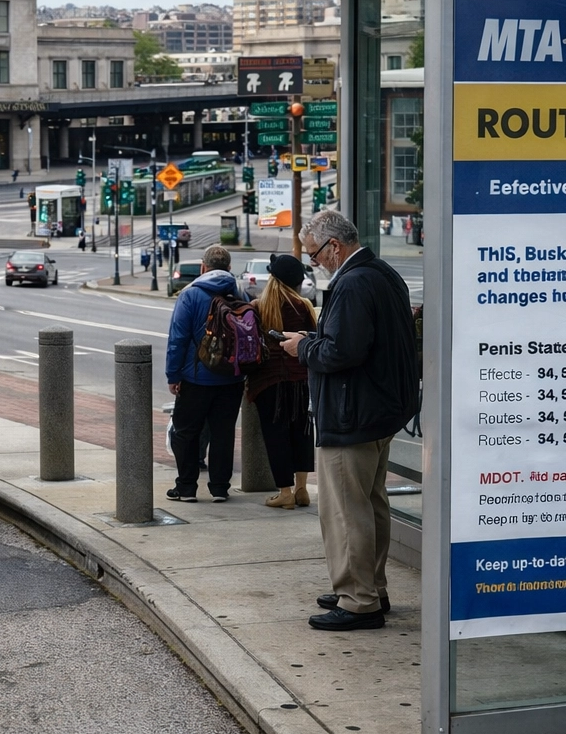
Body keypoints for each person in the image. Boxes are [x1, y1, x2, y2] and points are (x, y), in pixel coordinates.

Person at [280, 210, 418, 631]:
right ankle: (371, 586)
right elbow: (362, 342)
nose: (314, 262)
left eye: (315, 253)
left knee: (345, 510)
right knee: (371, 503)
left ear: (334, 246)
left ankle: (358, 599)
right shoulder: (382, 273)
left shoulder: (353, 283)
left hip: (351, 412)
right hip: (379, 411)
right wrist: (315, 340)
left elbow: (342, 353)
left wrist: (301, 349)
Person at [165, 245, 247, 502]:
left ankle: (187, 487)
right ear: (229, 268)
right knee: (223, 432)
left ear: (203, 267)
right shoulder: (239, 292)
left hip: (196, 377)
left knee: (186, 431)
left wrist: (173, 375)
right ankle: (220, 488)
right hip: (232, 377)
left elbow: (178, 338)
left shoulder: (190, 295)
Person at [247, 254, 316, 509]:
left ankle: (284, 492)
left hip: (269, 381)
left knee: (276, 435)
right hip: (300, 379)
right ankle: (302, 489)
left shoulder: (258, 306)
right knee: (302, 432)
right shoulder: (305, 306)